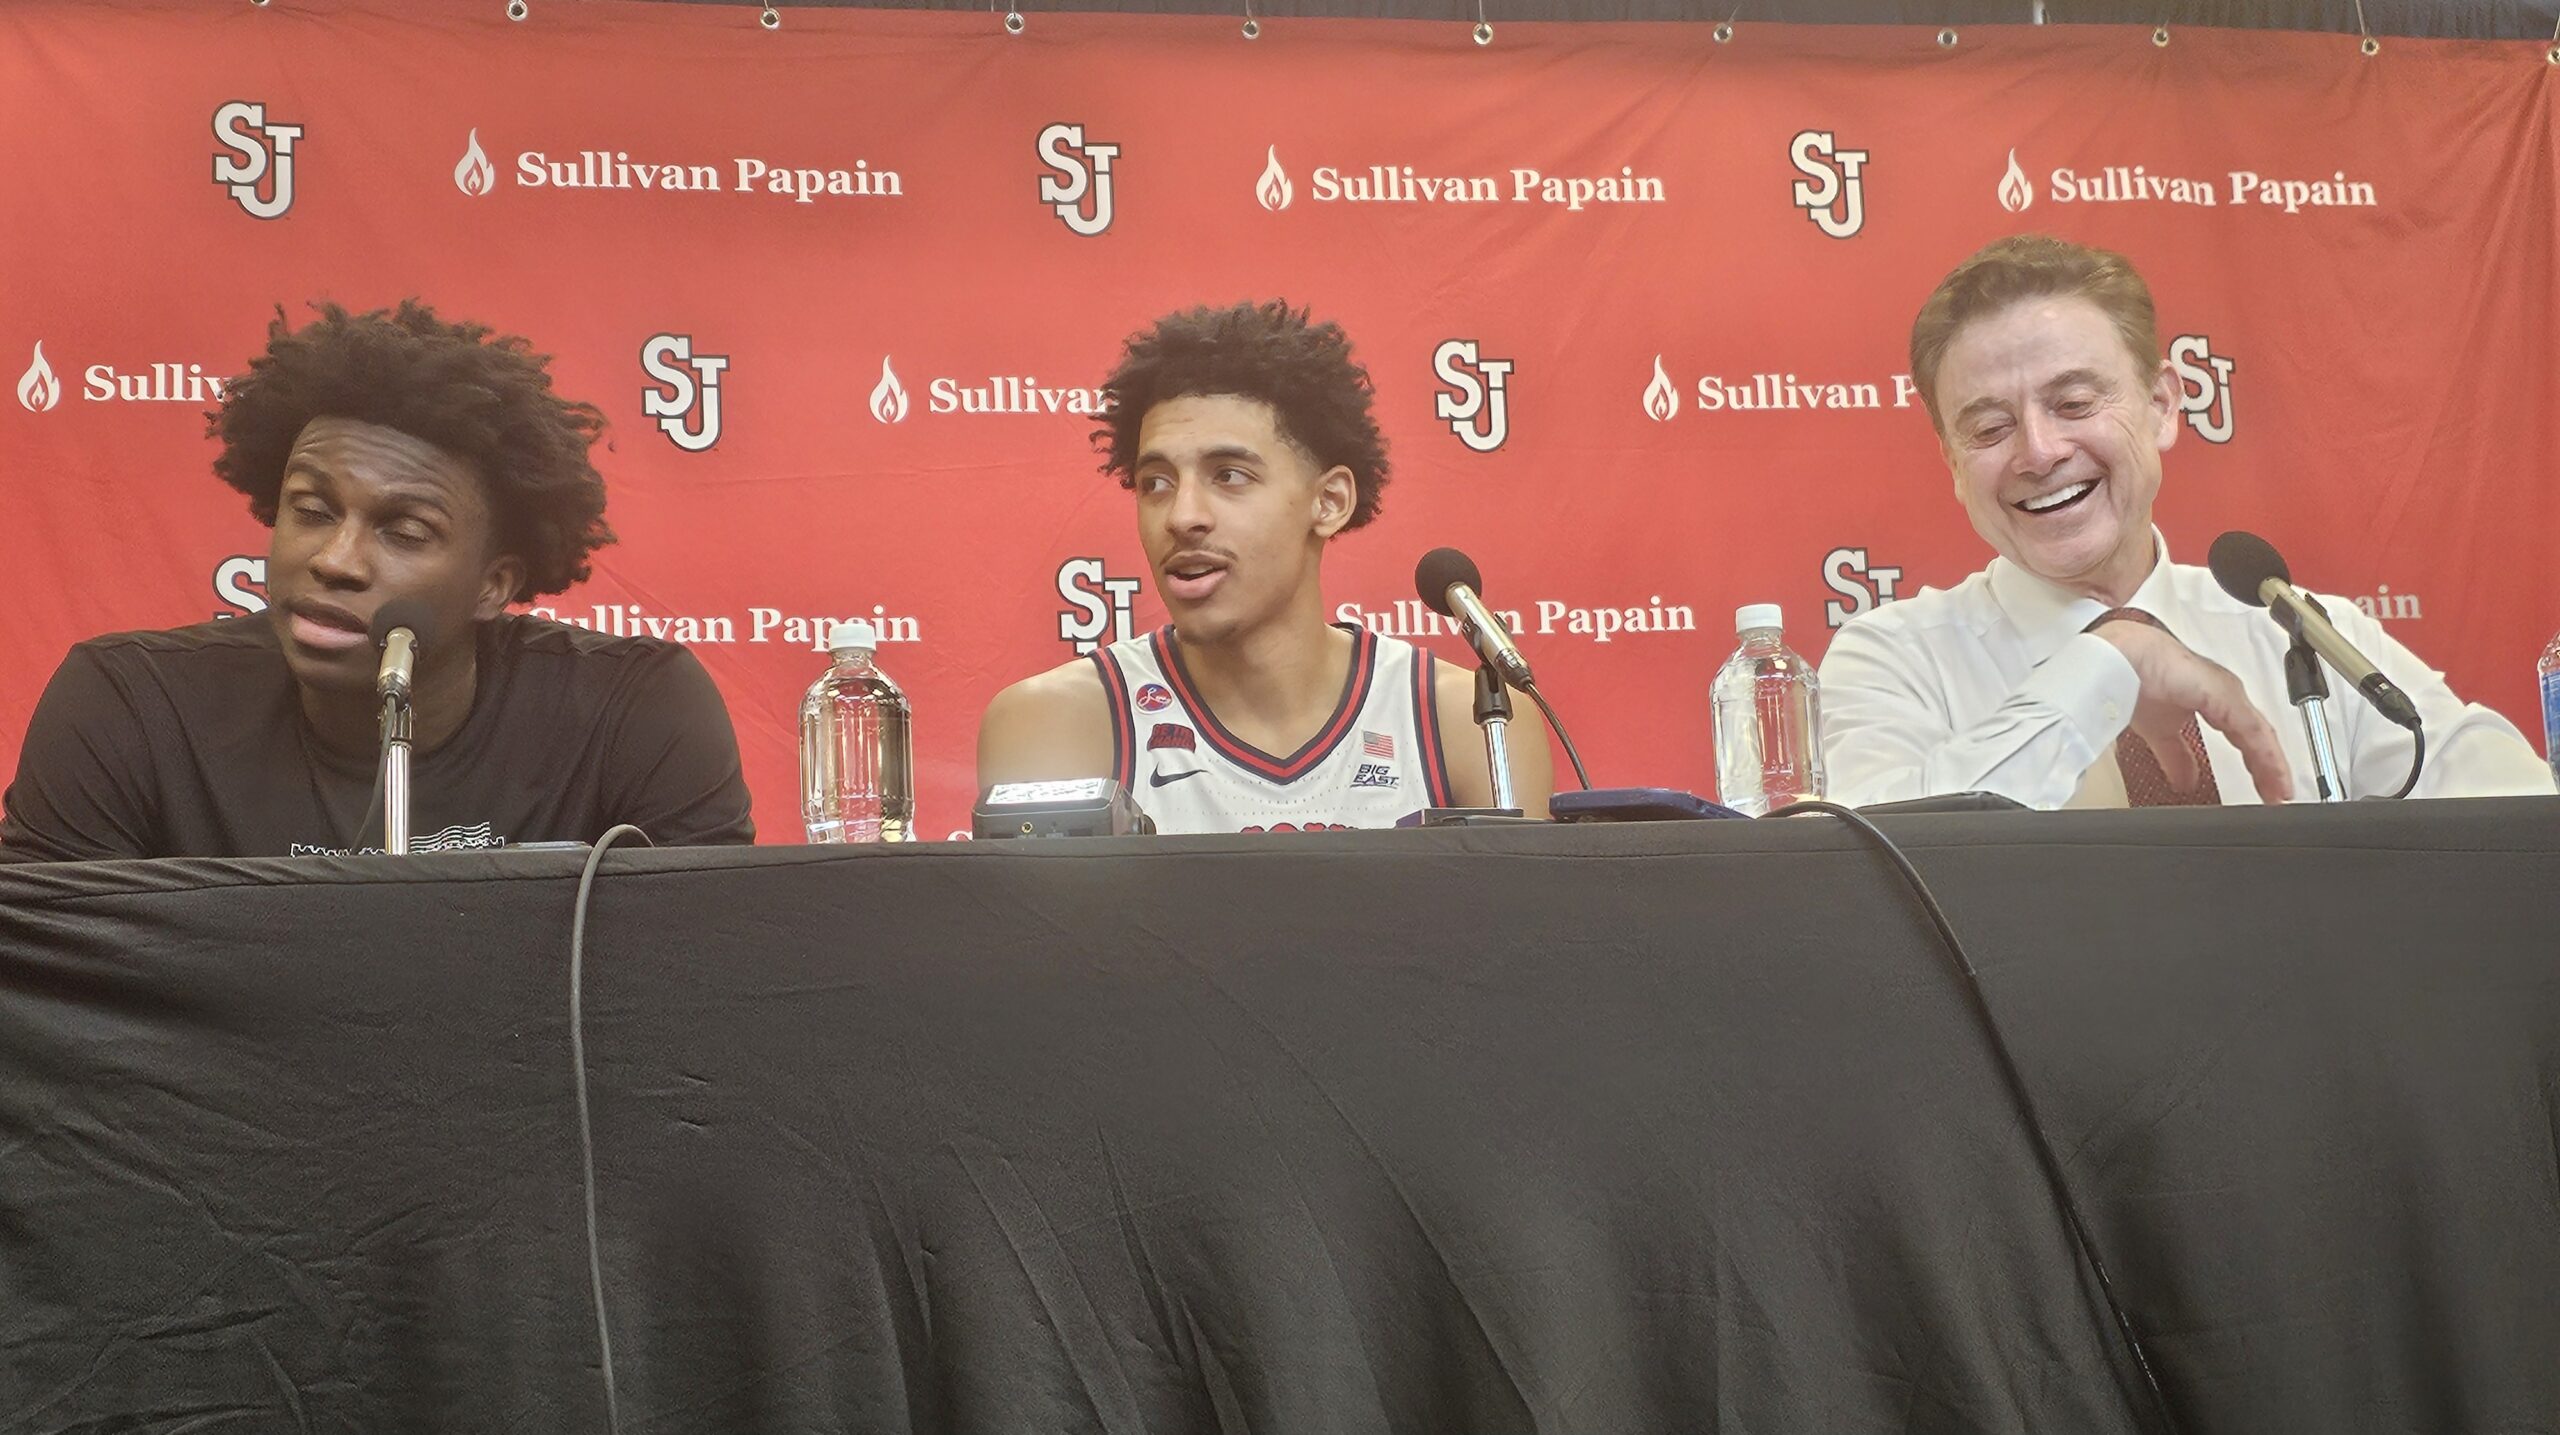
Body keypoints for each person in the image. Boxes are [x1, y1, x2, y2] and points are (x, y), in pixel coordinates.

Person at [0, 300, 755, 860]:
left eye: (404, 531)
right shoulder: (130, 708)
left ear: (493, 585)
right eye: (311, 510)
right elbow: (44, 994)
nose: (336, 559)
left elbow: (714, 983)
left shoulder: (633, 715)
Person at [1821, 233, 2552, 809]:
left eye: (2074, 403)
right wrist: (2107, 663)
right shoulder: (1893, 660)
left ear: (2163, 406)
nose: (2039, 452)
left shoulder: (2301, 633)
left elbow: (2515, 826)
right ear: (1952, 461)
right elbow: (1876, 871)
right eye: (1989, 428)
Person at [977, 300, 1552, 832]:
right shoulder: (1055, 724)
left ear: (1329, 502)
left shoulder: (1472, 723)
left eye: (1229, 475)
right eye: (1156, 483)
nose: (1182, 516)